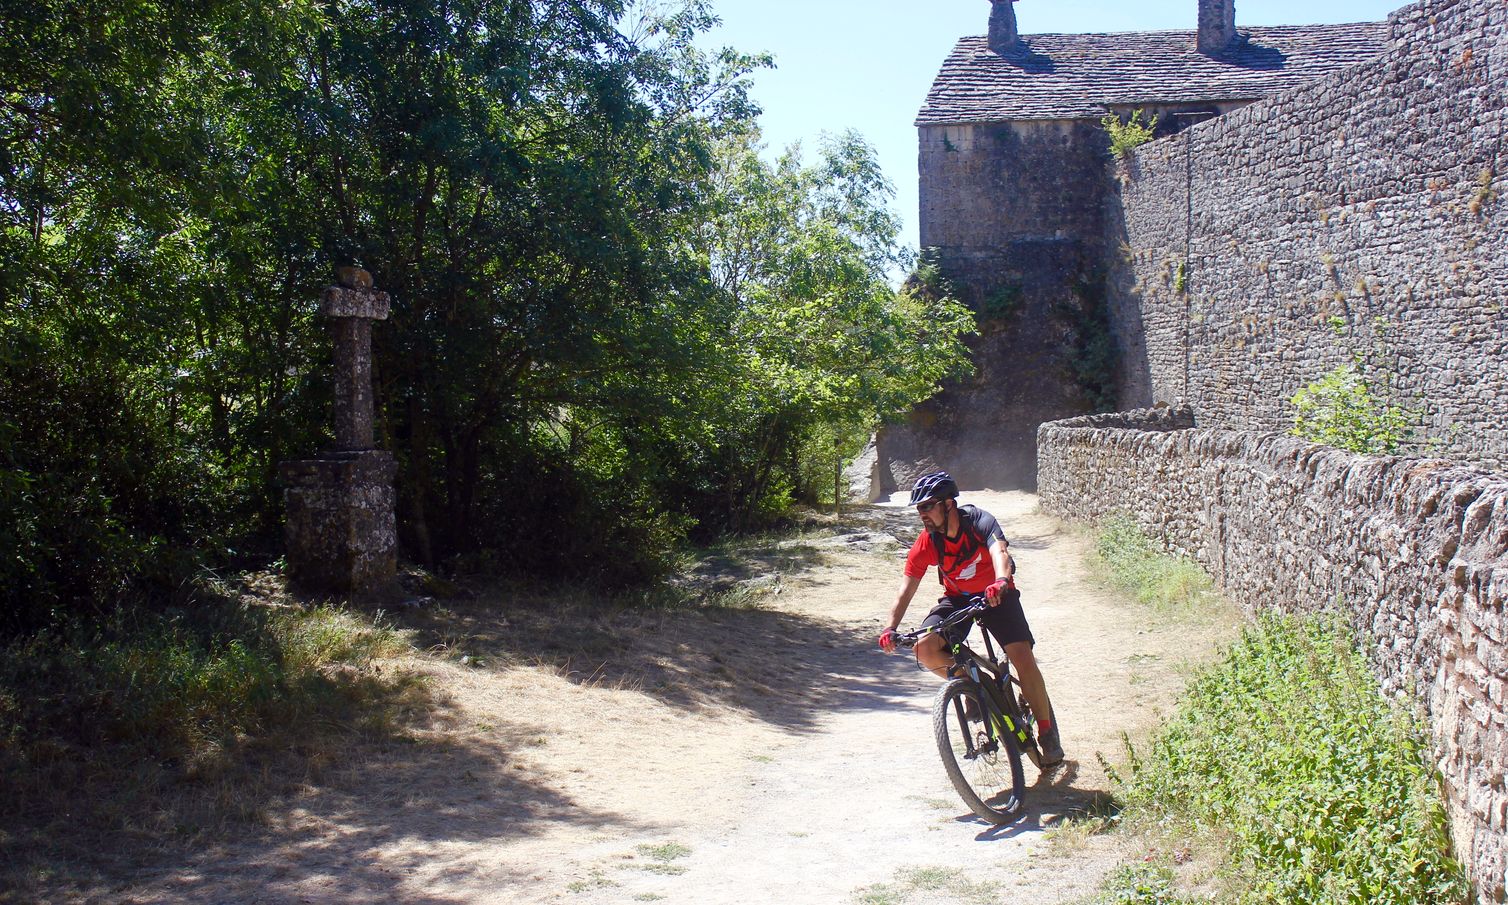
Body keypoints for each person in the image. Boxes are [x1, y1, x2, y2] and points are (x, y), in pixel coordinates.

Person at [877, 471, 1064, 766]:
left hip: (996, 594)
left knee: (1022, 658)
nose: (921, 514)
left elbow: (999, 552)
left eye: (927, 506)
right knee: (924, 648)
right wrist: (890, 627)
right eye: (919, 508)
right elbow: (906, 587)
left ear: (948, 504)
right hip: (958, 599)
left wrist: (1001, 580)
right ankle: (978, 692)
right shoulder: (928, 541)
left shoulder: (979, 522)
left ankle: (1047, 731)